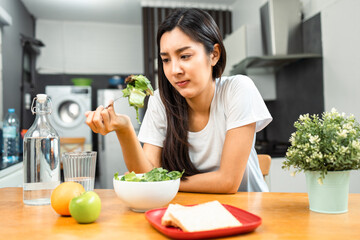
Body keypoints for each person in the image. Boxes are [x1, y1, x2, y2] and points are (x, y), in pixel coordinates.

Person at [85, 8, 272, 193]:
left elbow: (228, 182)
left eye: (185, 56)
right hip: (194, 211)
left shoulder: (238, 89)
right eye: (166, 60)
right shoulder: (160, 101)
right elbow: (146, 174)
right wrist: (125, 129)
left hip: (249, 211)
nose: (174, 70)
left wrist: (166, 183)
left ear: (214, 54)